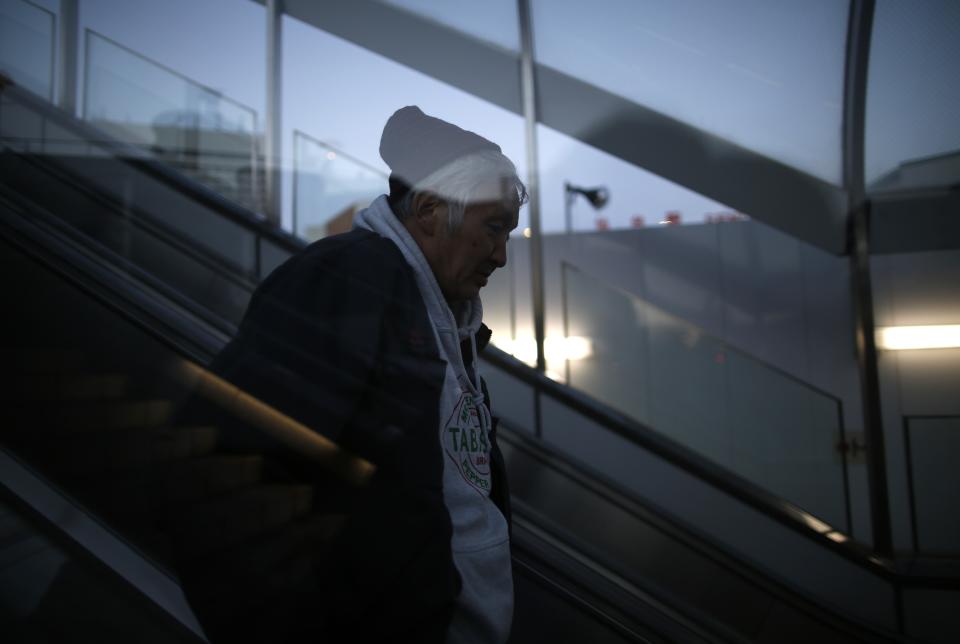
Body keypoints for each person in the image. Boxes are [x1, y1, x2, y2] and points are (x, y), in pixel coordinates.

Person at [190, 106, 526, 643]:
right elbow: (225, 478)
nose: (502, 255)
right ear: (430, 209)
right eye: (492, 228)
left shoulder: (442, 315)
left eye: (508, 232)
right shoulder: (344, 283)